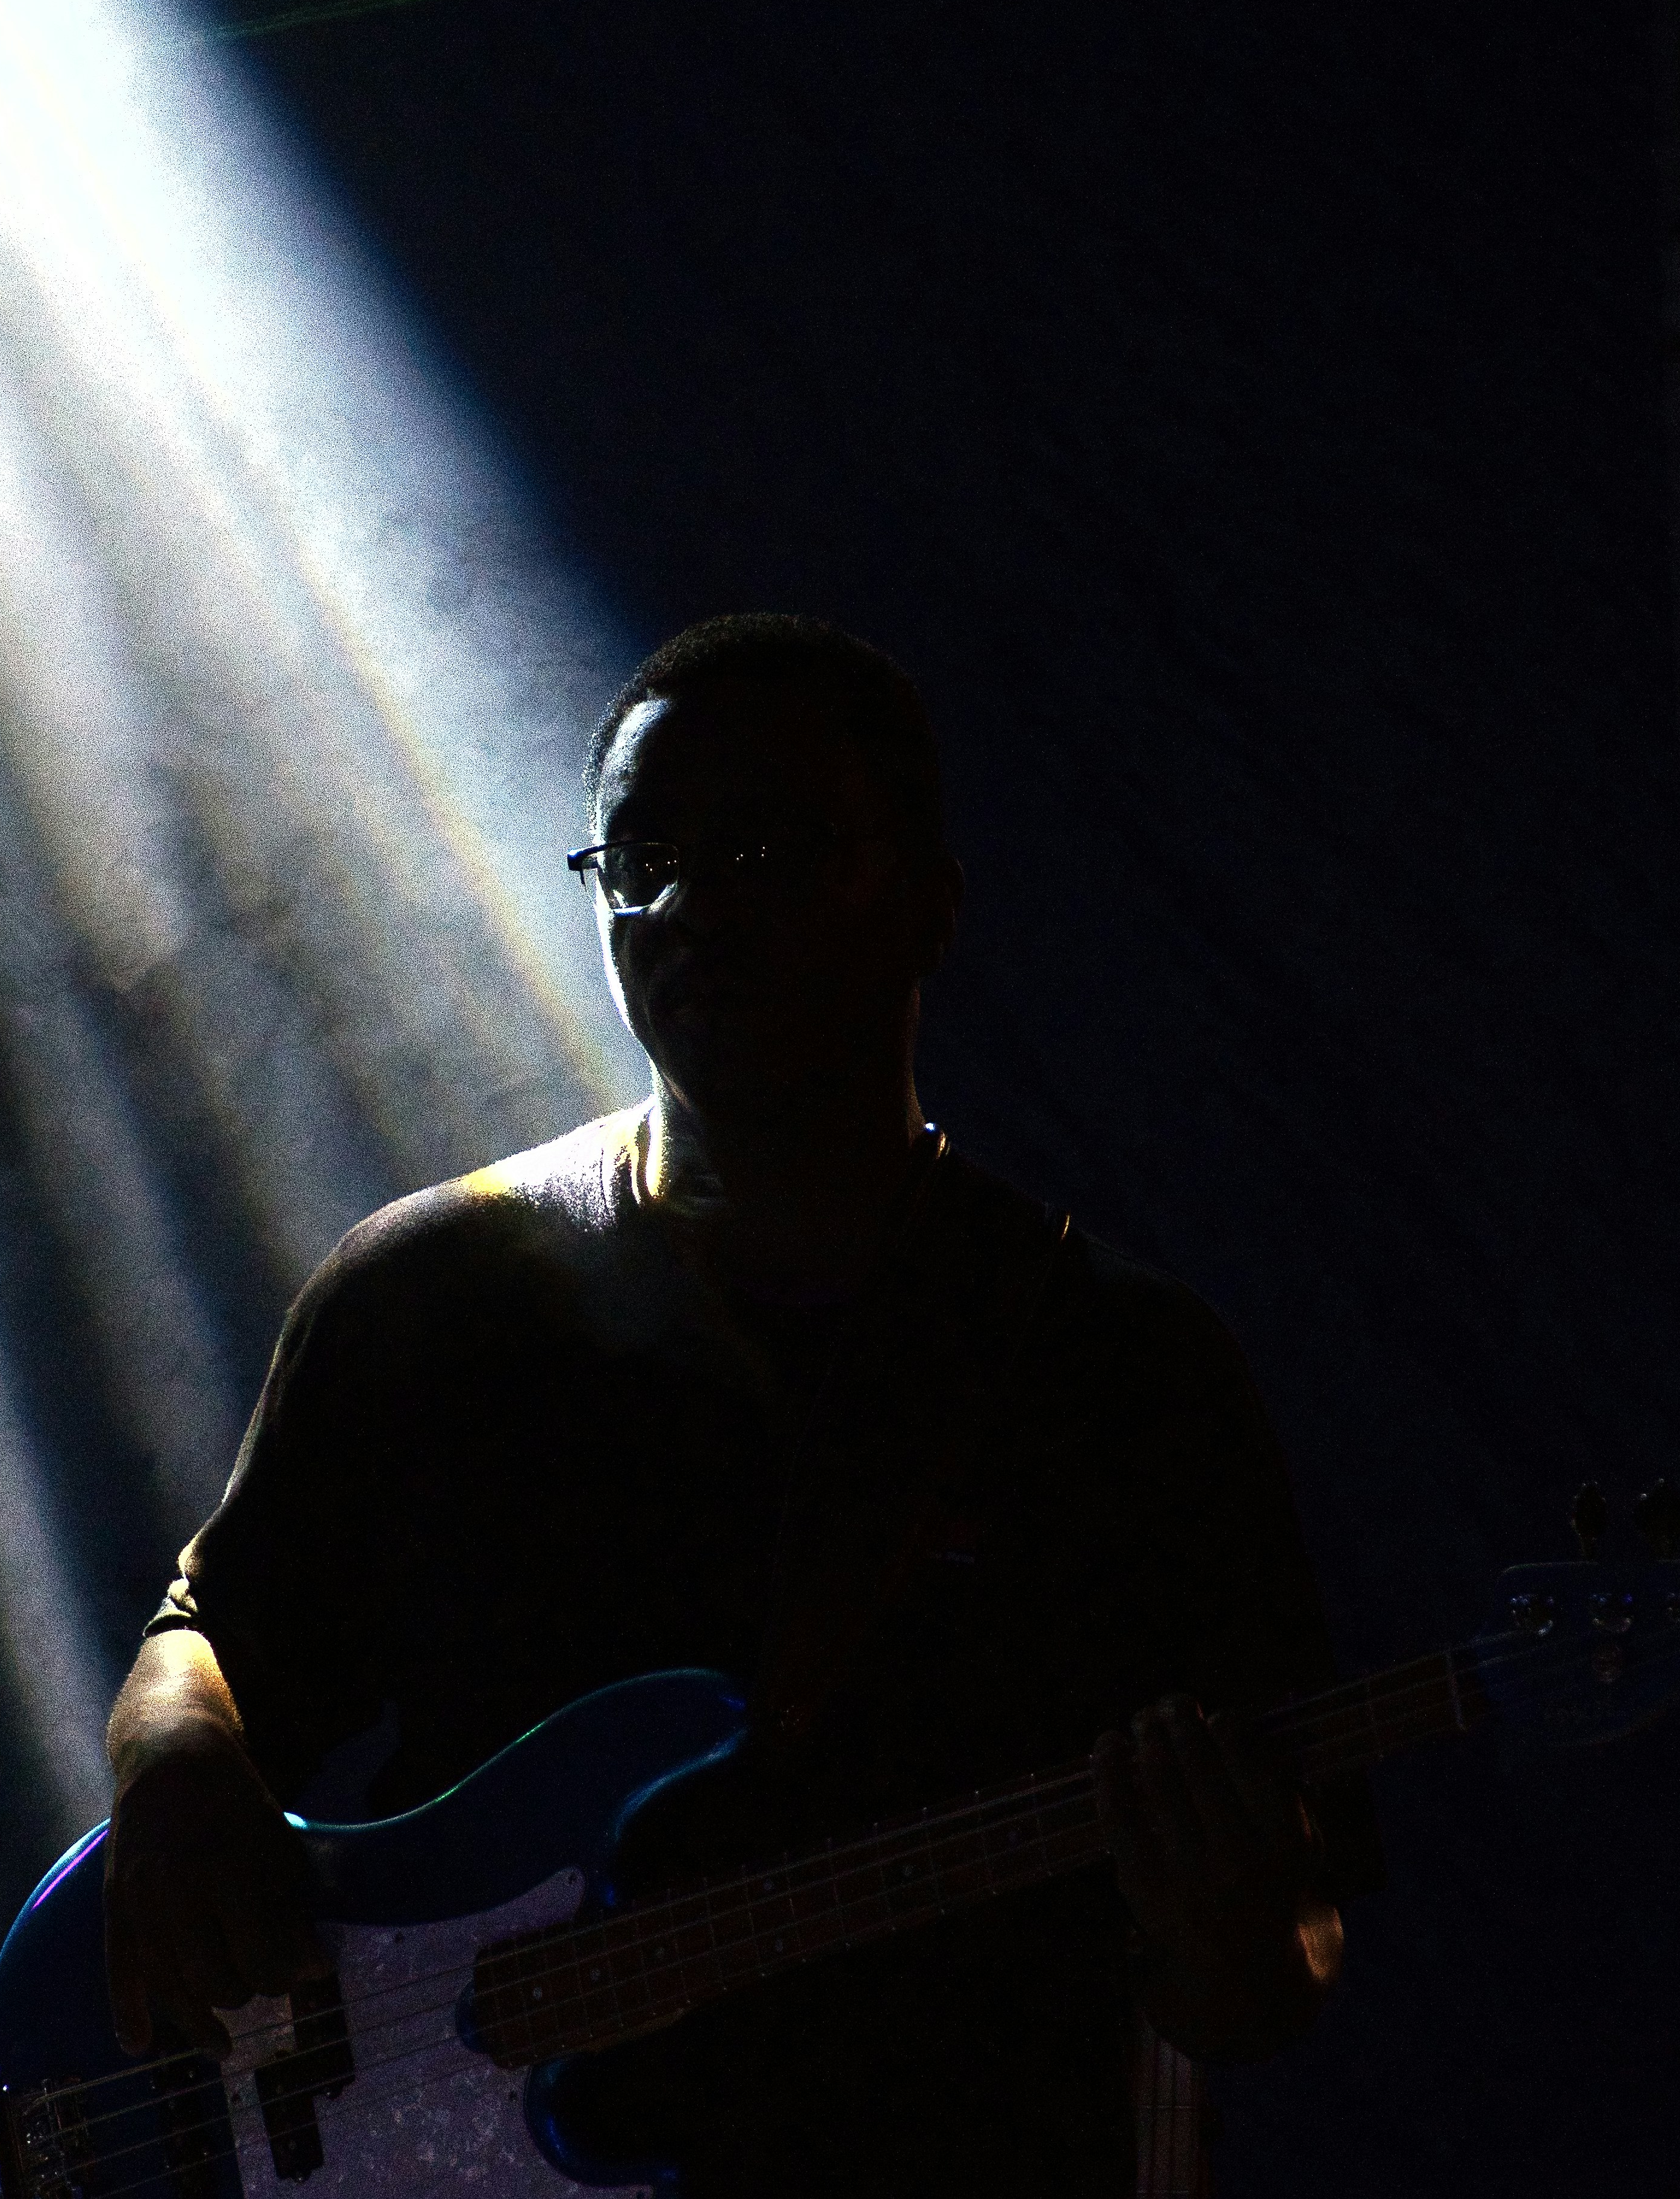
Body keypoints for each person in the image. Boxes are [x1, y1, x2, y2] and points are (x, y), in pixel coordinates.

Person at [100, 614, 1370, 2194]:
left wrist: (1234, 1942)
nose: (691, 906)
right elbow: (207, 1630)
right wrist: (170, 1767)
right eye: (640, 858)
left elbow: (1278, 1955)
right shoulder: (426, 1296)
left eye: (764, 847)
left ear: (925, 904)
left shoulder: (1122, 1372)